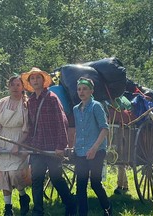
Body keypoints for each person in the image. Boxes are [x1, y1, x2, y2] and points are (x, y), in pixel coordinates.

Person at [21, 67, 76, 216]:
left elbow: (62, 121)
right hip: (37, 147)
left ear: (43, 80)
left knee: (56, 177)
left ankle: (71, 204)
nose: (35, 81)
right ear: (30, 82)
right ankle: (38, 211)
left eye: (38, 78)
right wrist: (29, 144)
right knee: (37, 179)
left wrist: (61, 146)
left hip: (53, 146)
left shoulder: (52, 98)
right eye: (32, 78)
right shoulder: (30, 102)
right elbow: (31, 125)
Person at [0, 76, 31, 216]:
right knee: (3, 175)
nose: (15, 87)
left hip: (19, 139)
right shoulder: (2, 103)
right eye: (12, 85)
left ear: (22, 87)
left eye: (18, 85)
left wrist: (18, 145)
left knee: (15, 174)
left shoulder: (26, 104)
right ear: (8, 87)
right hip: (2, 139)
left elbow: (27, 129)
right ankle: (8, 208)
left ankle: (23, 196)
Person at [73, 77, 112, 216]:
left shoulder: (96, 106)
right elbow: (78, 130)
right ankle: (82, 213)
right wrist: (74, 147)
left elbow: (104, 129)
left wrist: (94, 148)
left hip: (96, 150)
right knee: (80, 185)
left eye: (84, 89)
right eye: (79, 89)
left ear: (91, 91)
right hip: (80, 151)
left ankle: (107, 208)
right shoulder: (76, 109)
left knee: (95, 183)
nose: (81, 92)